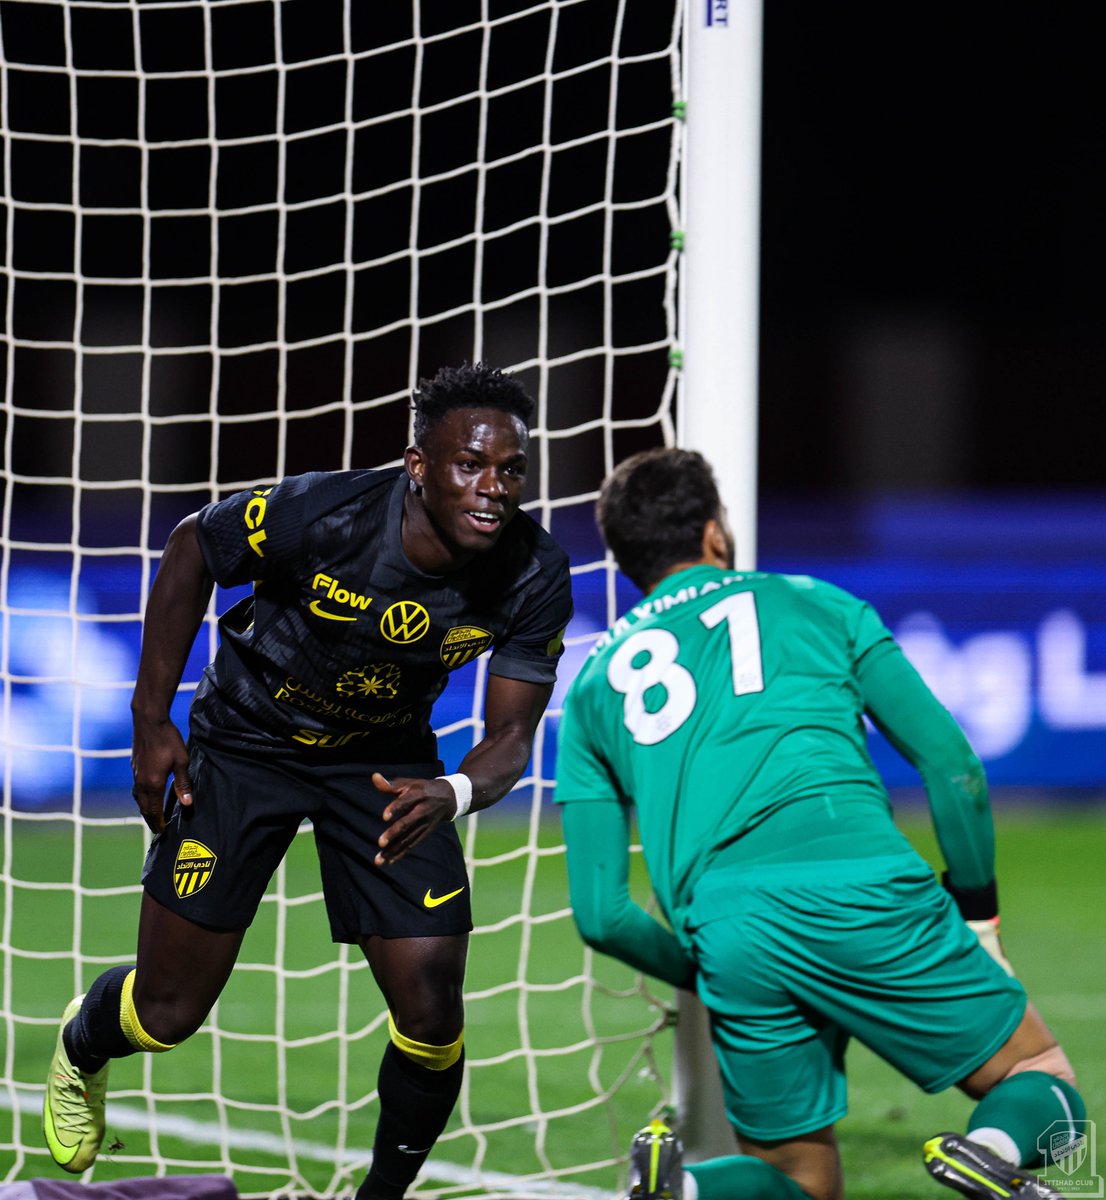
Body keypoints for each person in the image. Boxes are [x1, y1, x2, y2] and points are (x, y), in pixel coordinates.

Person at [43, 362, 573, 1200]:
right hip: (247, 741)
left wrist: (456, 793)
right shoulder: (324, 514)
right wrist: (152, 722)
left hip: (384, 764)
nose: (493, 487)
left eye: (511, 469)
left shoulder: (536, 574)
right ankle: (84, 1041)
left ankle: (380, 1198)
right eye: (470, 464)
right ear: (418, 465)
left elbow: (510, 735)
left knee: (432, 1008)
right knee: (168, 1013)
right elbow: (191, 549)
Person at [554, 448, 1085, 1200]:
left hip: (728, 929)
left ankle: (688, 1192)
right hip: (862, 887)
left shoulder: (593, 686)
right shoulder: (816, 603)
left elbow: (602, 914)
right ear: (713, 534)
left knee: (795, 1177)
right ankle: (991, 1151)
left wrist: (701, 964)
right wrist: (978, 914)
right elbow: (953, 767)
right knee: (1039, 1076)